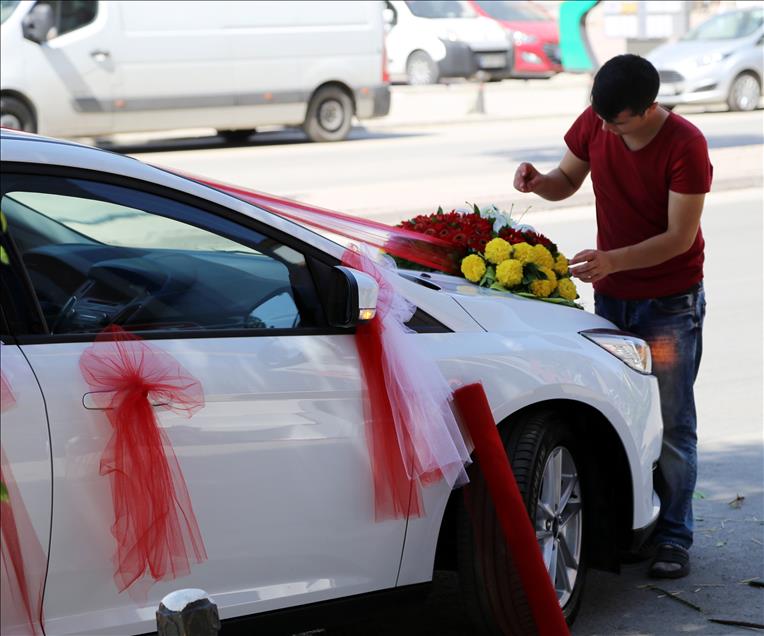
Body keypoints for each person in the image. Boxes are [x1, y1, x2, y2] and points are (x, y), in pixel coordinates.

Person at [513, 54, 712, 579]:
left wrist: (613, 260)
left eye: (615, 120)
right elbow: (566, 179)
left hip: (669, 303)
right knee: (620, 415)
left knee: (671, 422)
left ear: (646, 109)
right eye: (598, 117)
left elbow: (679, 238)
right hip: (613, 299)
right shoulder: (597, 120)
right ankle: (634, 526)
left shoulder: (686, 145)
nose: (603, 128)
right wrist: (538, 182)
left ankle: (674, 536)